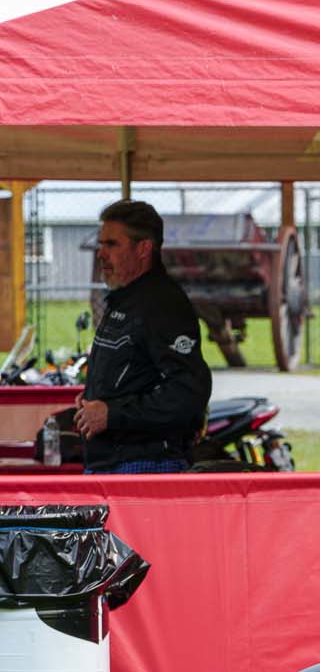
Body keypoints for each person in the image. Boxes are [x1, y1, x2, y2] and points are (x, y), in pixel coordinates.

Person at [65, 200, 213, 474]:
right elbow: (136, 374)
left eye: (112, 244)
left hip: (146, 465)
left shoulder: (163, 305)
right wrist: (94, 397)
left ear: (143, 248)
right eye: (101, 244)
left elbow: (188, 392)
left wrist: (112, 413)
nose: (101, 254)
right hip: (111, 462)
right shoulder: (125, 299)